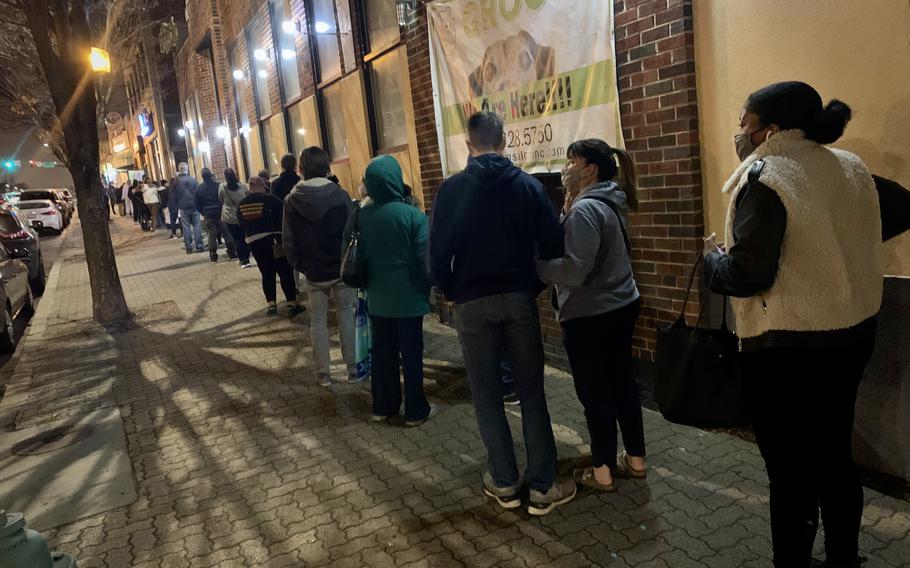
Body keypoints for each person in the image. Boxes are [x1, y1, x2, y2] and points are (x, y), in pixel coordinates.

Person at [703, 82, 884, 568]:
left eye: (744, 123)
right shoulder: (850, 166)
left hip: (787, 348)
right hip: (853, 333)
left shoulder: (767, 176)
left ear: (772, 130)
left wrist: (711, 262)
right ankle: (845, 557)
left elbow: (746, 273)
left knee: (789, 471)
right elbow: (896, 210)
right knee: (834, 454)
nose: (738, 134)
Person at [429, 111, 572, 516]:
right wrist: (533, 283)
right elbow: (553, 242)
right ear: (504, 141)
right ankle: (543, 485)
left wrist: (453, 290)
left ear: (468, 143)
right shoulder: (527, 186)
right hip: (518, 300)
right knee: (531, 391)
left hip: (472, 304)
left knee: (487, 394)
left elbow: (437, 255)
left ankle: (505, 481)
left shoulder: (452, 190)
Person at [537, 138, 645, 493]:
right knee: (623, 385)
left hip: (590, 314)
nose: (566, 167)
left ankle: (602, 471)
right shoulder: (611, 199)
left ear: (590, 168)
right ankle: (636, 460)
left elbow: (574, 270)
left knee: (595, 393)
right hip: (621, 303)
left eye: (572, 161)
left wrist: (537, 266)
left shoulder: (586, 210)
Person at [346, 155, 433, 426]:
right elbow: (425, 258)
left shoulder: (361, 215)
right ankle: (416, 410)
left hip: (377, 298)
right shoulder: (413, 216)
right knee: (411, 355)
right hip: (409, 298)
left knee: (383, 354)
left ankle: (383, 405)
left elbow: (349, 250)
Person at [284, 147, 357, 387]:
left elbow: (289, 240)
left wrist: (300, 265)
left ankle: (323, 373)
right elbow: (352, 231)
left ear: (301, 168)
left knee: (318, 322)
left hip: (313, 271)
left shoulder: (291, 201)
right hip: (340, 267)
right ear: (326, 166)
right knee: (347, 317)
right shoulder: (340, 195)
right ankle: (353, 368)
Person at [237, 176, 301, 316]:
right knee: (285, 272)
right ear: (262, 185)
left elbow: (241, 223)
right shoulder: (272, 200)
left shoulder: (242, 204)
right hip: (275, 241)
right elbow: (284, 219)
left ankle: (271, 305)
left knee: (266, 273)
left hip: (254, 243)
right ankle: (291, 303)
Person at [194, 168, 235, 262]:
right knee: (227, 233)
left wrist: (202, 212)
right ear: (211, 175)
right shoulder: (219, 185)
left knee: (211, 235)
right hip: (220, 212)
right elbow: (223, 197)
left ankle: (213, 255)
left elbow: (196, 203)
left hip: (208, 214)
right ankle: (232, 252)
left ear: (202, 176)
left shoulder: (199, 188)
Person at [219, 169, 252, 268]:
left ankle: (243, 260)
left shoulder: (222, 187)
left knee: (237, 239)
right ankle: (247, 258)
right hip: (243, 215)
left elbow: (220, 199)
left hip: (229, 216)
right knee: (245, 237)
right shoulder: (243, 186)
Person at [174, 163, 205, 253]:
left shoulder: (176, 181)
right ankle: (199, 245)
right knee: (197, 226)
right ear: (187, 169)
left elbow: (174, 195)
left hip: (183, 206)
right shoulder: (193, 179)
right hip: (194, 205)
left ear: (179, 170)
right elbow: (198, 192)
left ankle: (188, 247)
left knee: (186, 227)